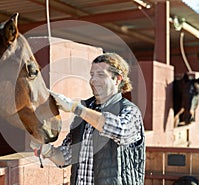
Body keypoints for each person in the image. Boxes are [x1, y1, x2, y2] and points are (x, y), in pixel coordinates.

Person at [30, 52, 146, 185]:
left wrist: (77, 109)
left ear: (117, 79)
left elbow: (120, 131)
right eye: (92, 75)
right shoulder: (84, 111)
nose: (93, 80)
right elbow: (66, 157)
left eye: (101, 75)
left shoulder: (130, 111)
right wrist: (46, 150)